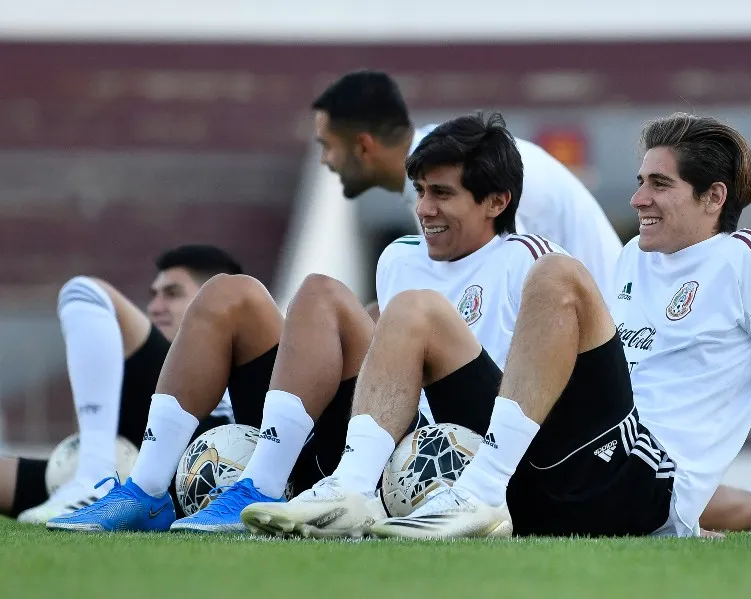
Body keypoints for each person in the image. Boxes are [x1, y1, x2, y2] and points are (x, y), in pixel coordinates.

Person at [243, 112, 751, 539]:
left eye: (659, 184)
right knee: (414, 309)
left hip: (643, 479)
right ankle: (351, 489)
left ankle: (479, 492)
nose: (638, 198)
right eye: (640, 181)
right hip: (555, 468)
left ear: (715, 196)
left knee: (558, 274)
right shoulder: (632, 259)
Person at [45, 112, 565, 533]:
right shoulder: (399, 259)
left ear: (497, 202)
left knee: (320, 291)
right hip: (375, 433)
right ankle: (148, 489)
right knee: (232, 294)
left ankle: (264, 485)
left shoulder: (533, 263)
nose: (424, 209)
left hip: (459, 449)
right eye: (420, 191)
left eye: (442, 194)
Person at [311, 69, 622, 301]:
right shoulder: (442, 175)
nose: (325, 160)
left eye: (327, 145)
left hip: (590, 355)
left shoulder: (476, 172)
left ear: (364, 147)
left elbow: (516, 301)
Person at [0, 245, 240, 524]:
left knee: (83, 291)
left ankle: (93, 479)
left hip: (200, 467)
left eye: (172, 294)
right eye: (154, 296)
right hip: (127, 485)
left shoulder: (251, 374)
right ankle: (93, 480)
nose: (155, 307)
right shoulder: (124, 374)